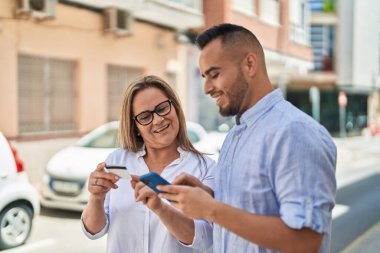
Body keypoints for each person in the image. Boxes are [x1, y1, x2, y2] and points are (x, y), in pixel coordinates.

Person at [158, 23, 337, 253]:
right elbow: (249, 212)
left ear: (249, 64)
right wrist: (210, 198)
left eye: (214, 74)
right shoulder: (234, 136)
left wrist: (212, 209)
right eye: (204, 76)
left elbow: (306, 241)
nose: (206, 88)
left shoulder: (294, 132)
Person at [81, 75, 215, 253]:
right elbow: (93, 231)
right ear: (135, 126)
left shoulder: (205, 168)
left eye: (162, 108)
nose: (158, 120)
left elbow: (205, 239)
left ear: (174, 107)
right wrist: (96, 198)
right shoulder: (117, 161)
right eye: (145, 116)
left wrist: (161, 208)